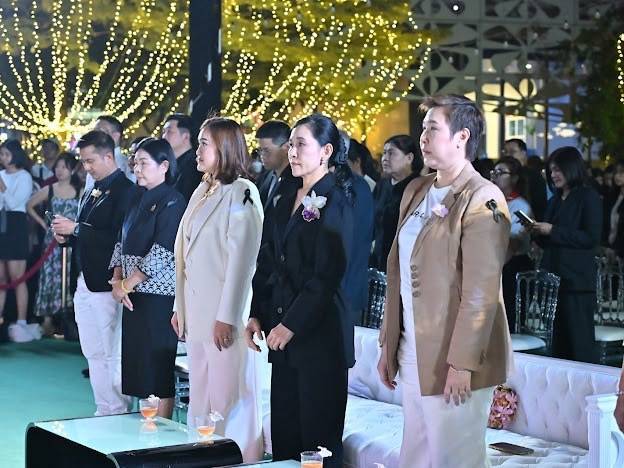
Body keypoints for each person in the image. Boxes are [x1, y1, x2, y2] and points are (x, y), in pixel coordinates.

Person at [377, 95, 513, 468]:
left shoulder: (483, 197)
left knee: (454, 458)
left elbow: (482, 292)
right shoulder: (416, 189)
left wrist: (463, 364)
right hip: (413, 348)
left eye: (433, 129)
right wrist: (389, 345)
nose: (423, 137)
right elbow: (398, 273)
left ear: (462, 137)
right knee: (415, 454)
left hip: (455, 356)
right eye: (423, 128)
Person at [246, 113, 355, 467]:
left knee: (318, 444)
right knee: (286, 436)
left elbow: (327, 276)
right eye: (290, 144)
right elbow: (268, 259)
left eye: (301, 145)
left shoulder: (337, 200)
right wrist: (257, 313)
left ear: (326, 151)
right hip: (282, 334)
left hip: (320, 336)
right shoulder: (285, 194)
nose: (292, 152)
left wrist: (290, 324)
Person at [172, 117, 264, 462]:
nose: (197, 150)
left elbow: (242, 261)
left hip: (223, 314)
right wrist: (179, 308)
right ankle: (202, 456)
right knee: (201, 393)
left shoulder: (242, 191)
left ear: (224, 148)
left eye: (204, 143)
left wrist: (228, 316)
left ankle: (238, 458)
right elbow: (185, 254)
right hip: (197, 312)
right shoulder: (202, 189)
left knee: (228, 396)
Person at [52, 130, 137, 416]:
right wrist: (68, 236)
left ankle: (119, 409)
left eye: (90, 161)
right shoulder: (92, 189)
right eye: (83, 161)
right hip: (84, 280)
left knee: (112, 351)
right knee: (92, 351)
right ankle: (104, 408)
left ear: (109, 157)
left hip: (109, 282)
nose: (86, 167)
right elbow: (87, 232)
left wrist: (76, 229)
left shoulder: (126, 190)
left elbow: (118, 237)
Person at [108, 138, 185, 418]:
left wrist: (126, 284)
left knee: (157, 365)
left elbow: (164, 249)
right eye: (135, 163)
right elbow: (121, 239)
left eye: (143, 163)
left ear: (164, 166)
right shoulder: (136, 197)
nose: (136, 169)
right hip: (132, 293)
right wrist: (117, 279)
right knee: (138, 361)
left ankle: (162, 428)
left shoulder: (173, 200)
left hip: (159, 295)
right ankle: (145, 423)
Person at [530, 146, 602, 363]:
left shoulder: (587, 197)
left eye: (558, 170)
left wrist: (553, 230)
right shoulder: (555, 199)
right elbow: (550, 238)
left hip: (577, 282)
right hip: (554, 279)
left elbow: (590, 237)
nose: (553, 175)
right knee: (558, 343)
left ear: (571, 169)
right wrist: (536, 232)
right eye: (551, 170)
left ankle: (585, 383)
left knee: (579, 342)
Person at [27, 153, 81, 336]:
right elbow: (29, 205)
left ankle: (69, 319)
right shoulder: (49, 189)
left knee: (69, 277)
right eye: (57, 166)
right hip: (52, 242)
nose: (59, 170)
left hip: (72, 241)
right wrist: (43, 224)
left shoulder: (80, 190)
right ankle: (47, 320)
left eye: (64, 167)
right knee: (49, 278)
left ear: (72, 169)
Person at [490, 156, 534, 331]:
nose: (495, 176)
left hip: (512, 266)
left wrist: (494, 269)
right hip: (492, 262)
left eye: (501, 172)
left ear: (514, 178)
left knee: (509, 320)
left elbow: (513, 243)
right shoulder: (491, 202)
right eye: (494, 172)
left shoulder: (520, 206)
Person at [0, 140, 37, 341]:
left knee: (17, 277)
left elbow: (16, 203)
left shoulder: (24, 176)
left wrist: (3, 188)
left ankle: (21, 320)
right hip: (1, 222)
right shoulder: (1, 174)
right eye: (1, 154)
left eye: (6, 154)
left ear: (15, 155)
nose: (3, 158)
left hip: (16, 225)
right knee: (1, 278)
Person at [372, 134, 423, 271]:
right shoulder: (382, 185)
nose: (385, 158)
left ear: (409, 158)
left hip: (406, 266)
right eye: (384, 153)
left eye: (391, 153)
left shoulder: (419, 188)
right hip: (379, 262)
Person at [255, 120, 298, 213]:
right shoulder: (265, 176)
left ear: (287, 147)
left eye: (266, 150)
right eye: (260, 150)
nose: (261, 155)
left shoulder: (297, 180)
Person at [503, 138, 547, 221]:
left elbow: (539, 205)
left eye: (512, 152)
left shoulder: (534, 176)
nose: (508, 155)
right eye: (505, 152)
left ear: (523, 153)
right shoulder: (502, 175)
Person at [162, 114, 202, 202]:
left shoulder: (195, 166)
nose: (164, 136)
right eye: (163, 132)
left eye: (169, 131)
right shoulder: (169, 164)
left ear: (186, 136)